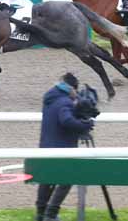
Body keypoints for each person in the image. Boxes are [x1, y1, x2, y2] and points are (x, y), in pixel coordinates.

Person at [35, 73, 95, 221]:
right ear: (72, 88)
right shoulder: (65, 102)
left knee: (47, 180)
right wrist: (85, 125)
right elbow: (66, 121)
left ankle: (41, 213)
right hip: (62, 147)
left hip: (46, 145)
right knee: (67, 178)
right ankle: (52, 213)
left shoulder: (50, 98)